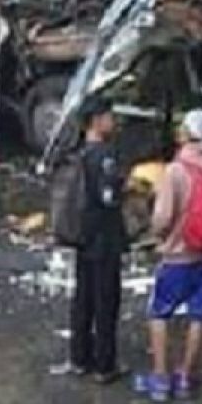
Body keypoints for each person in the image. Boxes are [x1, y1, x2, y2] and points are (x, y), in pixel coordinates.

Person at [135, 109, 202, 401]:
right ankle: (183, 377)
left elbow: (162, 217)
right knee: (198, 315)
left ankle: (159, 379)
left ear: (188, 134)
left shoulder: (176, 171)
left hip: (178, 258)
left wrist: (158, 237)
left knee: (159, 313)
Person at [51, 97, 128, 385]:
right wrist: (125, 188)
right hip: (103, 238)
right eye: (109, 116)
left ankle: (79, 357)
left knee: (82, 298)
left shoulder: (77, 152)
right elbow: (108, 198)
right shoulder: (104, 156)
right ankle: (104, 364)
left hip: (81, 236)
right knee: (106, 300)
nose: (113, 121)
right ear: (96, 120)